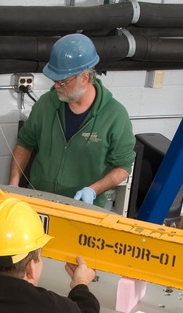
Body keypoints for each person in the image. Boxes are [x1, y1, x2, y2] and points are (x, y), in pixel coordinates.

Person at [8, 33, 135, 207]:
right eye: (55, 80)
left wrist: (93, 190)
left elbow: (123, 167)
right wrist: (13, 185)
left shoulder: (115, 116)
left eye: (63, 82)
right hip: (40, 202)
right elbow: (25, 143)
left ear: (85, 77)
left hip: (84, 209)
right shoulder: (46, 104)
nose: (56, 86)